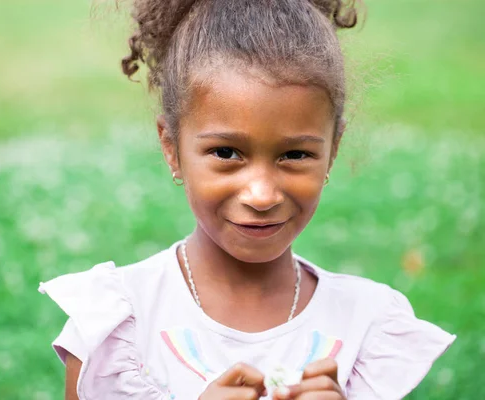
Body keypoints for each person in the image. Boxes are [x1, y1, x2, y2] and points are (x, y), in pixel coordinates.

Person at [38, 0, 456, 398]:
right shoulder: (118, 325)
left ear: (334, 148)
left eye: (295, 155)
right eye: (226, 153)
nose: (261, 195)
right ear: (171, 147)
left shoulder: (368, 326)